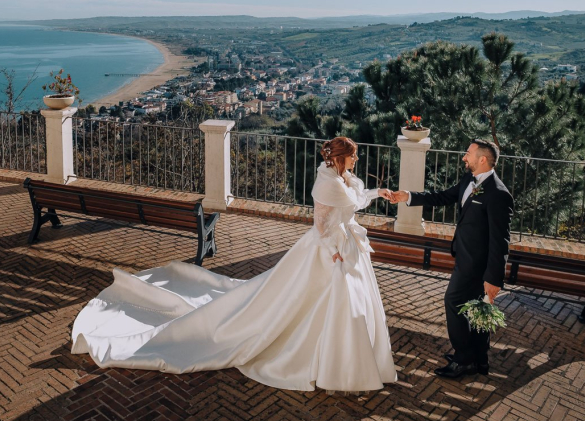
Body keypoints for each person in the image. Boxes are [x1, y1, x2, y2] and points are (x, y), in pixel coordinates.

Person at [70, 136, 397, 392]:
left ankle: (344, 363)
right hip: (329, 251)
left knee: (328, 304)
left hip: (344, 247)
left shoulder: (342, 179)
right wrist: (333, 251)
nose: (357, 159)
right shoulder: (329, 183)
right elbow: (322, 224)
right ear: (342, 158)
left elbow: (354, 198)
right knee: (305, 303)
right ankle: (325, 361)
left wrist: (379, 193)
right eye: (353, 155)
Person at [381, 139, 513, 379]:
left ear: (482, 159)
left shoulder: (498, 194)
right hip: (464, 256)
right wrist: (407, 196)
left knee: (453, 302)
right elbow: (442, 197)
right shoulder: (468, 181)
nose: (465, 157)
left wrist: (493, 279)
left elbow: (500, 241)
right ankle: (478, 360)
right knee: (474, 309)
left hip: (477, 265)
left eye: (469, 153)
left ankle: (464, 359)